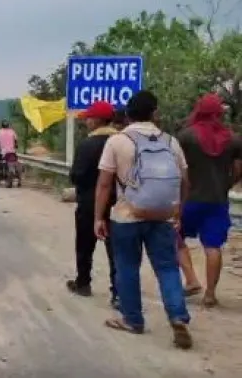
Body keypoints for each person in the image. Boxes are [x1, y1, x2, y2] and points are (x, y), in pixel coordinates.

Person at [94, 90, 192, 349]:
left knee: (127, 267)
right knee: (168, 268)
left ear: (127, 114)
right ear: (155, 113)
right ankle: (177, 315)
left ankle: (133, 320)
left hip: (127, 216)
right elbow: (184, 181)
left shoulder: (117, 141)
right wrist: (177, 211)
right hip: (162, 217)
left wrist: (98, 218)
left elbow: (104, 185)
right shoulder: (171, 142)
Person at [175, 93, 242, 308]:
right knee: (213, 246)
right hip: (218, 200)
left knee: (173, 236)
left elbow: (178, 168)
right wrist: (228, 184)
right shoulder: (233, 139)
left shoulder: (186, 136)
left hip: (189, 198)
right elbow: (239, 168)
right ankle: (211, 294)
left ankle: (192, 280)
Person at [66, 101, 119, 308]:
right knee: (115, 250)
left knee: (85, 245)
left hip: (89, 202)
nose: (86, 121)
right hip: (117, 203)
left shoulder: (88, 145)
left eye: (89, 118)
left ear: (97, 120)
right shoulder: (122, 141)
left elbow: (76, 175)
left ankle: (83, 283)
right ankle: (118, 291)